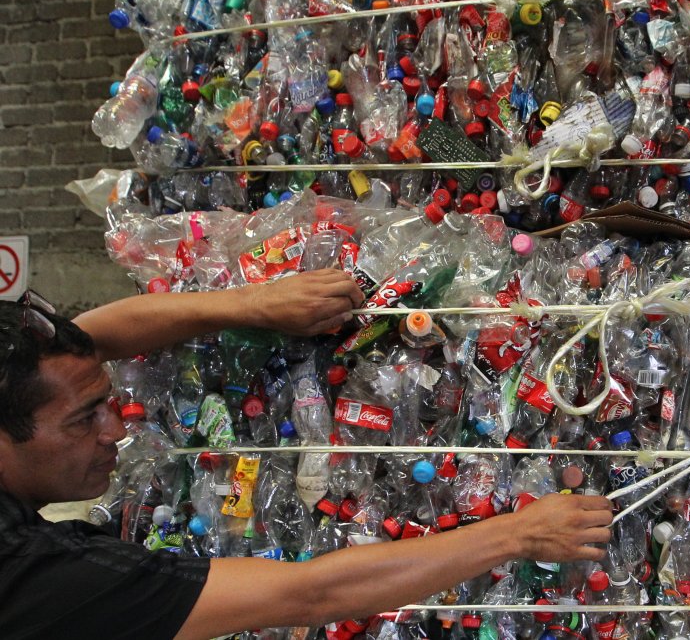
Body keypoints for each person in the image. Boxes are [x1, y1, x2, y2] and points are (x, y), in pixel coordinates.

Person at [0, 269, 614, 639]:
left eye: (107, 402)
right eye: (85, 419)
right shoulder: (41, 576)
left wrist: (251, 305)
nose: (116, 429)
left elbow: (95, 337)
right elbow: (308, 595)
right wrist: (515, 537)